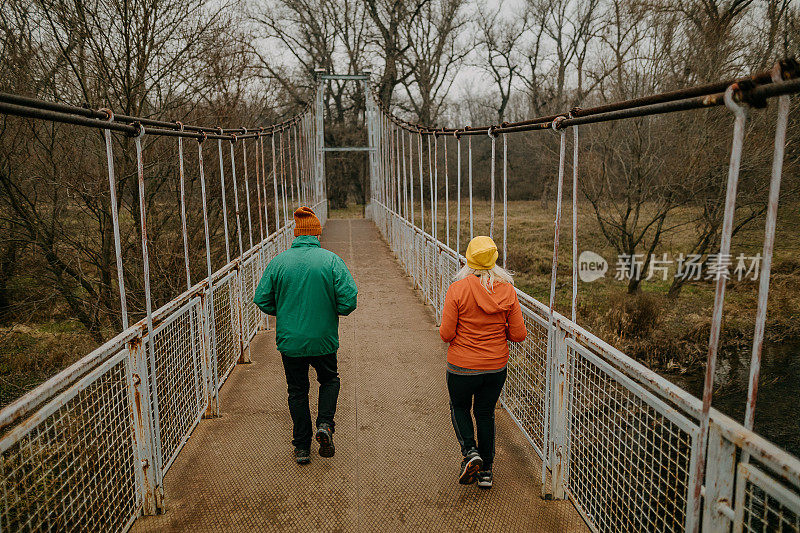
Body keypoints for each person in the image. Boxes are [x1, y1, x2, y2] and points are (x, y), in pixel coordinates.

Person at [254, 206, 358, 464]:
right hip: (323, 339)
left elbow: (262, 299)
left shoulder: (278, 262)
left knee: (297, 391)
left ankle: (302, 447)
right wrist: (330, 310)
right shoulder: (331, 260)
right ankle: (325, 424)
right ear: (316, 234)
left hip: (290, 341)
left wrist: (285, 310)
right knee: (330, 380)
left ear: (296, 234)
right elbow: (348, 301)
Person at [439, 236, 527, 489]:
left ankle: (470, 452)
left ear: (469, 259)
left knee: (459, 407)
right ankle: (486, 471)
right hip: (495, 366)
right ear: (494, 259)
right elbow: (519, 335)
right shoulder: (508, 290)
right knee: (485, 414)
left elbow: (446, 334)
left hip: (462, 366)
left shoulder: (457, 289)